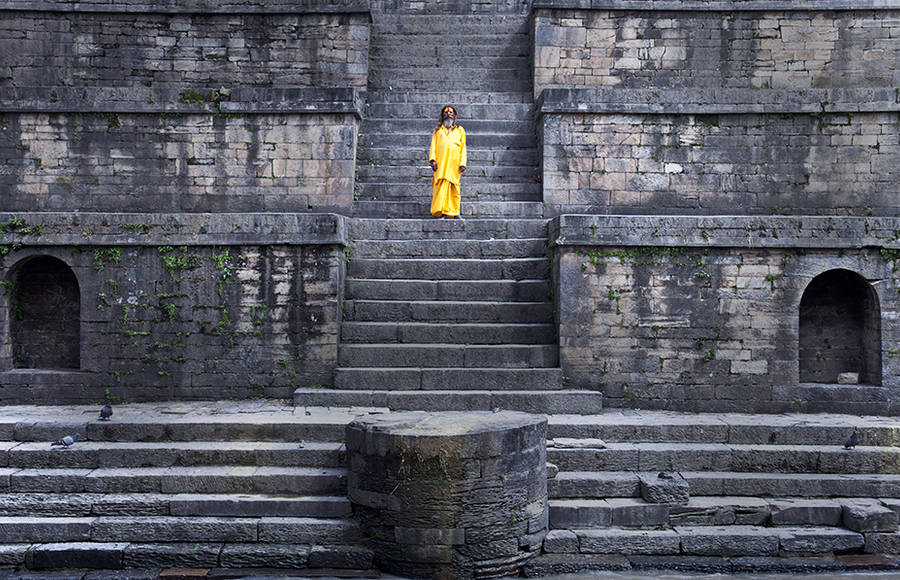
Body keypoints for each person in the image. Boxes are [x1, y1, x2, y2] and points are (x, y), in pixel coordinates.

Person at [429, 105, 467, 219]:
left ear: (455, 116)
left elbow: (463, 148)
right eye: (446, 113)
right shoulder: (437, 131)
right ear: (442, 116)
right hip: (441, 164)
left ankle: (454, 212)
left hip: (454, 165)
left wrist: (463, 163)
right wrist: (432, 160)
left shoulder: (460, 130)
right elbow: (433, 146)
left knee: (454, 188)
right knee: (440, 187)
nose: (448, 115)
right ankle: (441, 211)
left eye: (451, 114)